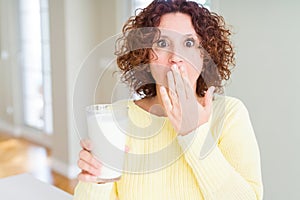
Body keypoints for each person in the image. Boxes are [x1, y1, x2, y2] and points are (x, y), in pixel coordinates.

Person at [74, 0, 263, 199]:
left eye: (189, 43)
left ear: (204, 56)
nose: (176, 57)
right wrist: (98, 179)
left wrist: (194, 133)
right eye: (162, 43)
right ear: (145, 54)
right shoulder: (116, 118)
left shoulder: (231, 114)